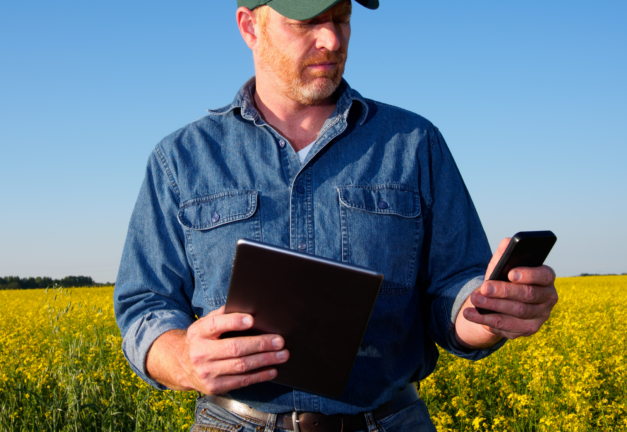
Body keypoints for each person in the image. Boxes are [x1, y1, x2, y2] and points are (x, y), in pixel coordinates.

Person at [113, 0, 558, 430]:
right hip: (234, 423)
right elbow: (144, 305)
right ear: (250, 27)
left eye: (341, 19)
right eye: (306, 22)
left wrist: (490, 312)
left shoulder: (415, 143)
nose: (331, 38)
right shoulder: (181, 158)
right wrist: (183, 360)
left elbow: (453, 290)